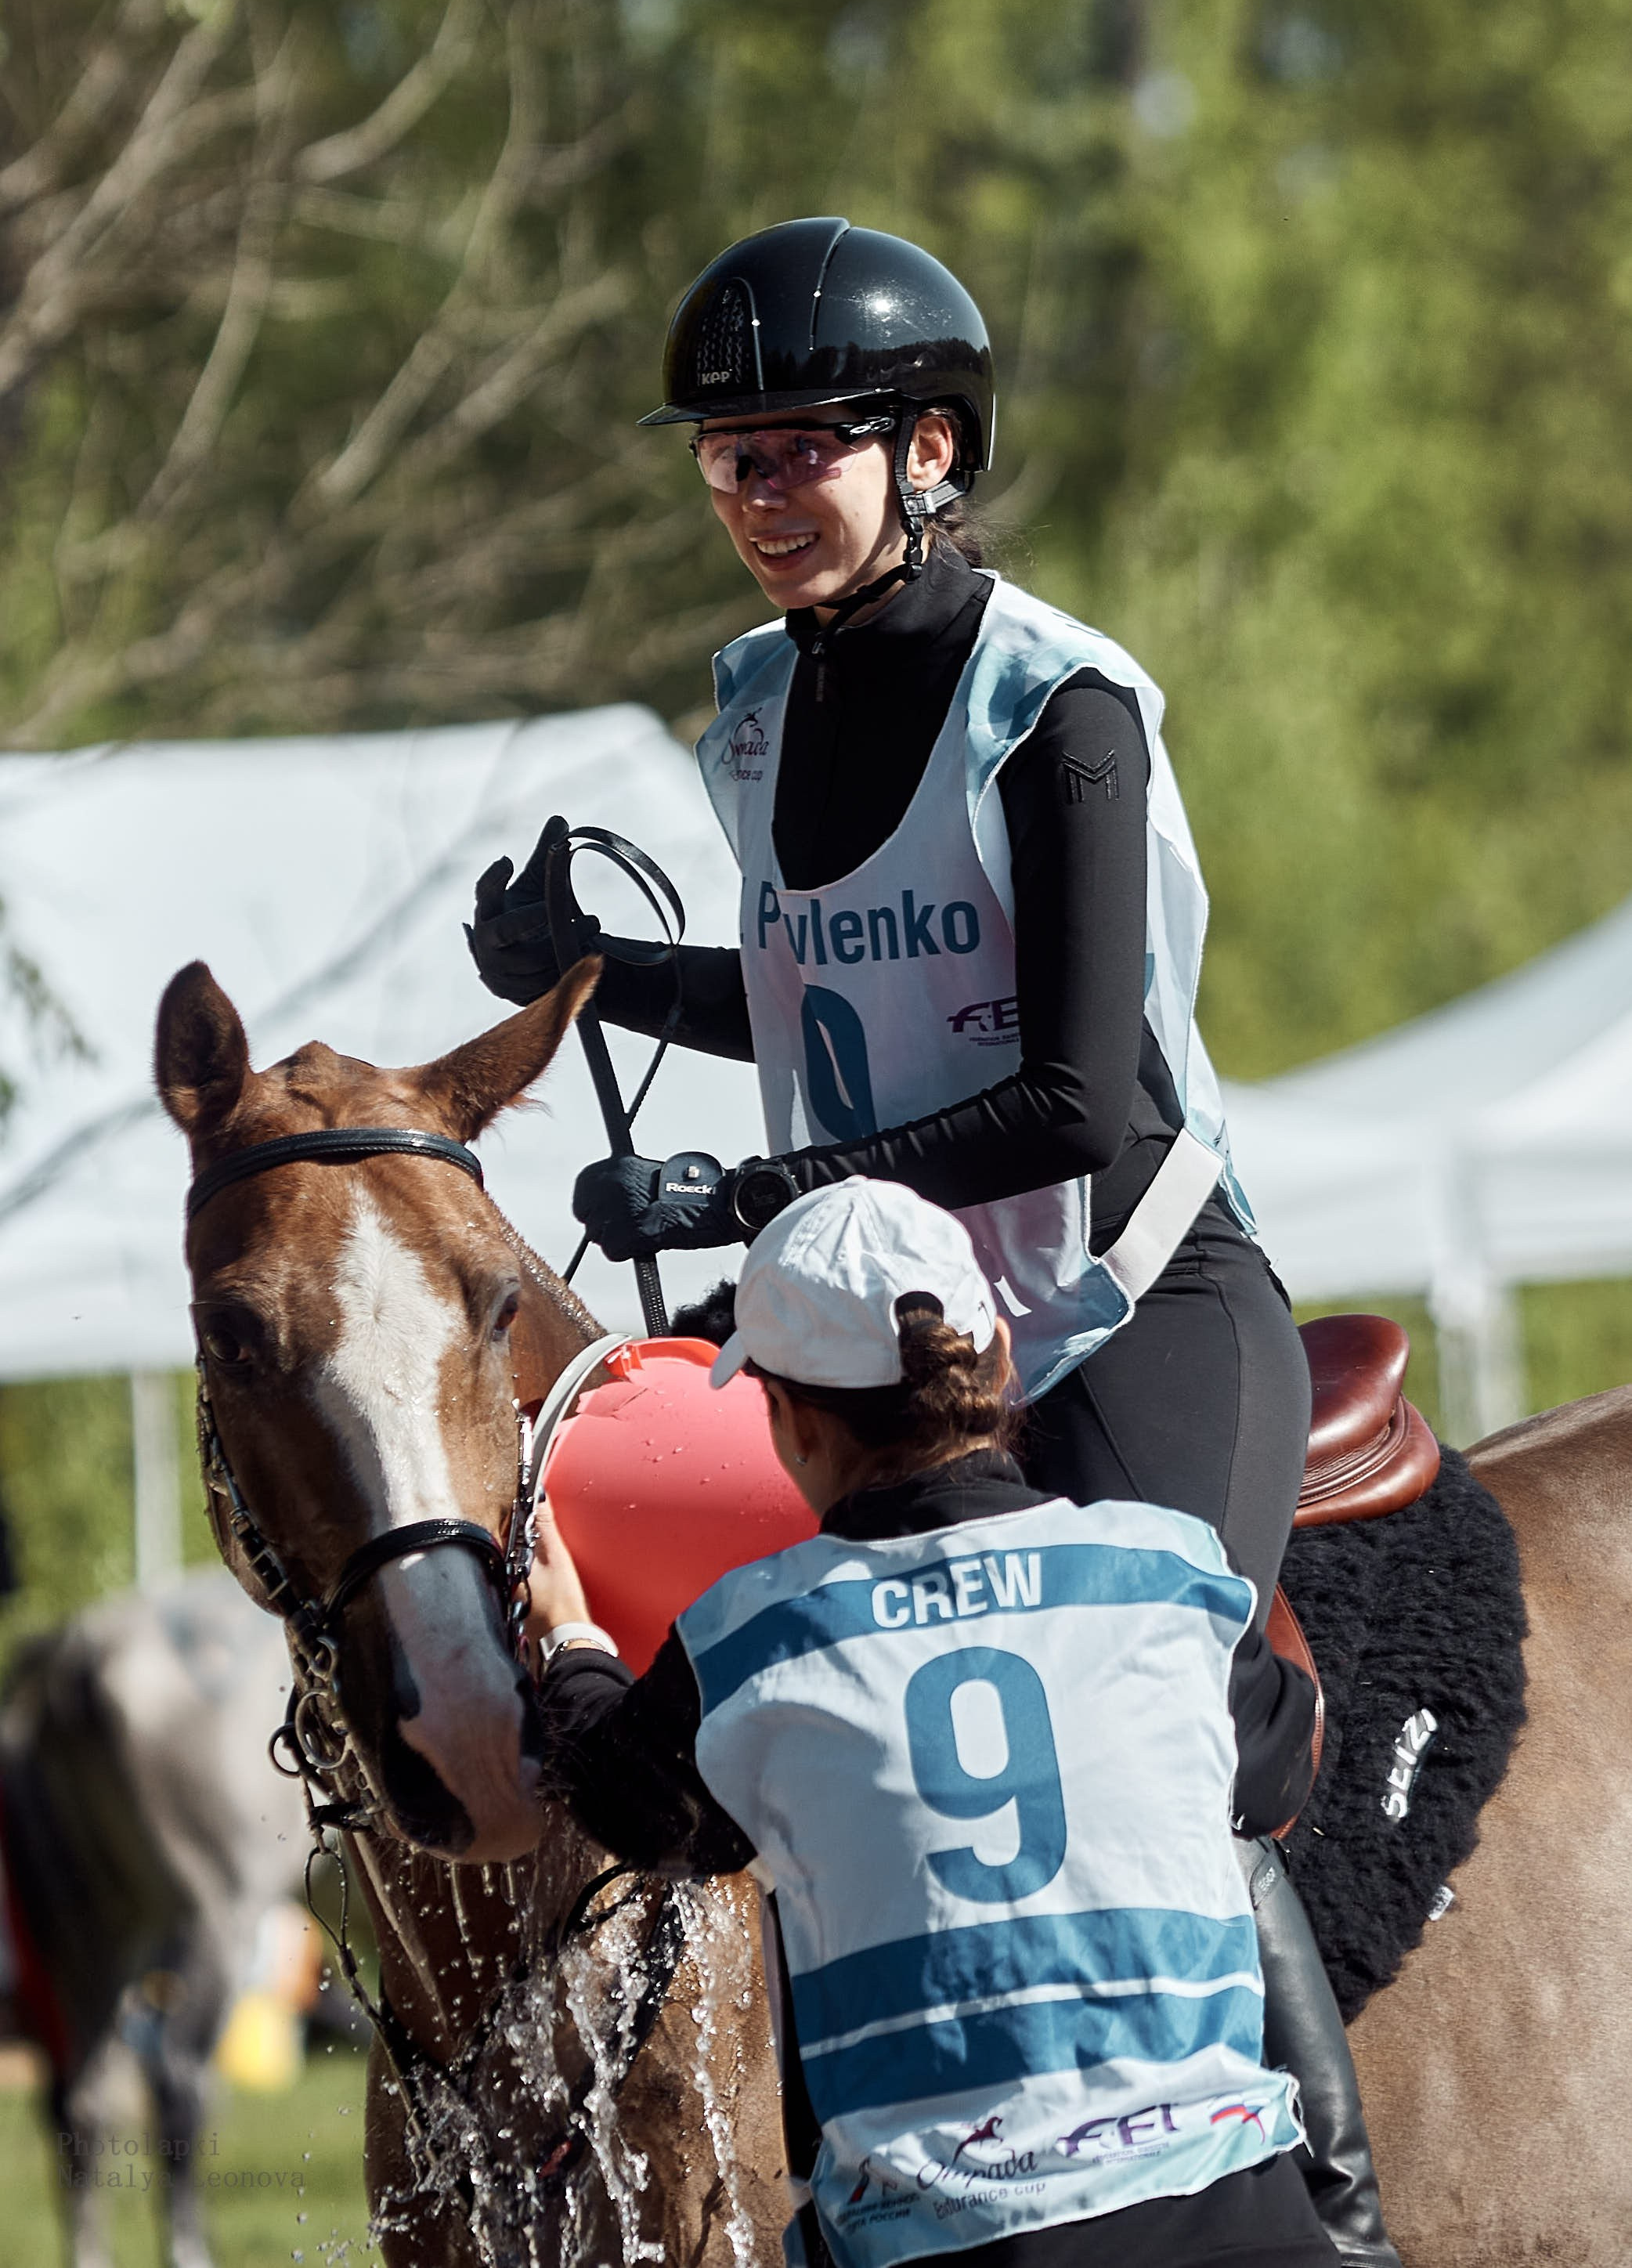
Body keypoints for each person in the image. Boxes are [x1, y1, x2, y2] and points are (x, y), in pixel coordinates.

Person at [468, 217, 1398, 2265]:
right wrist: (605, 974)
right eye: (725, 458)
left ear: (932, 446)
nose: (756, 493)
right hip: (894, 1332)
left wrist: (749, 1198)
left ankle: (1328, 2209)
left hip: (1124, 1302)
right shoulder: (749, 708)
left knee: (1164, 1716)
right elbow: (825, 985)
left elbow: (1077, 1099)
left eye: (800, 447)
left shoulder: (1058, 707)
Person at [525, 1176, 1338, 2268]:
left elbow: (626, 1800)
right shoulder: (1169, 1569)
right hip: (1244, 2223)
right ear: (999, 1356)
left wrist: (571, 1641)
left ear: (793, 1420)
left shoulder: (750, 1639)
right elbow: (1279, 1776)